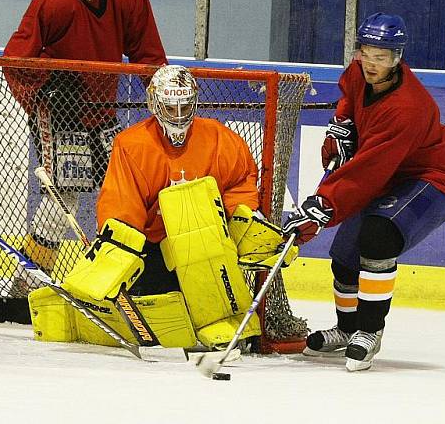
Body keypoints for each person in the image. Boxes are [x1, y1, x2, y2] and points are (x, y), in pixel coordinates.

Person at [28, 65, 291, 349]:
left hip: (205, 251)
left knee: (202, 243)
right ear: (155, 105)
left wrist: (243, 221)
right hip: (154, 250)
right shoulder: (132, 145)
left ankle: (220, 321)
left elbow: (241, 186)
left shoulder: (220, 140)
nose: (178, 116)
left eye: (184, 107)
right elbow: (122, 207)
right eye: (170, 108)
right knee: (155, 312)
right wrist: (116, 255)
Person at [283, 12, 445, 371]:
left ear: (397, 58)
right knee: (345, 255)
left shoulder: (407, 108)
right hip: (387, 172)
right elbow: (349, 98)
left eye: (381, 57)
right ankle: (346, 329)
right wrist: (343, 124)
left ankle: (369, 331)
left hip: (430, 179)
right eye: (366, 53)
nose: (371, 63)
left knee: (378, 236)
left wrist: (325, 204)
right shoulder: (357, 72)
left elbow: (367, 173)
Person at [2, 0, 167, 291]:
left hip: (102, 110)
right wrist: (42, 94)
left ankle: (129, 274)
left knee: (124, 187)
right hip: (61, 113)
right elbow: (15, 60)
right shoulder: (51, 2)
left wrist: (161, 101)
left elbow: (148, 53)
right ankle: (29, 279)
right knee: (64, 195)